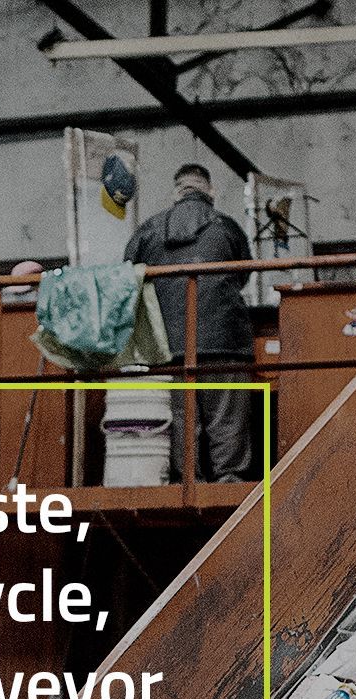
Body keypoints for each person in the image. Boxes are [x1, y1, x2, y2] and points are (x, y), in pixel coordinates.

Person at [124, 164, 256, 483]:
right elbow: (244, 274)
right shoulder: (227, 227)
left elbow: (128, 277)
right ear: (209, 191)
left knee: (182, 416)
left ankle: (188, 480)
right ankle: (230, 479)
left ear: (177, 191)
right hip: (225, 338)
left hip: (169, 341)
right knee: (227, 415)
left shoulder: (148, 230)